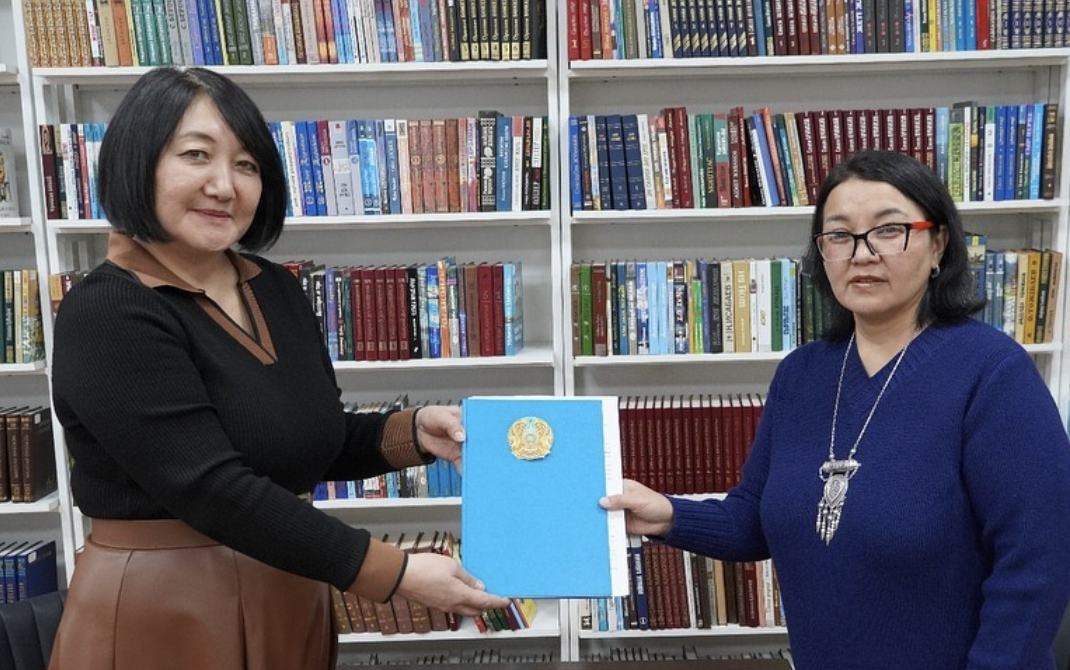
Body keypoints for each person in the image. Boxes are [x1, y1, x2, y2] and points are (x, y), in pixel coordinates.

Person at [48, 67, 509, 670]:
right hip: (168, 610)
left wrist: (415, 432)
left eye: (246, 165)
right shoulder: (109, 310)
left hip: (287, 585)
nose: (224, 185)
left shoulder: (274, 288)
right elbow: (210, 486)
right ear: (138, 163)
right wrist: (394, 572)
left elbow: (302, 439)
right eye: (196, 155)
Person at [601, 149, 1070, 670]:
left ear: (938, 244)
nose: (862, 254)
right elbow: (756, 518)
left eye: (888, 231)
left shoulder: (993, 374)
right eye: (840, 235)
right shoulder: (801, 374)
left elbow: (1038, 563)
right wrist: (667, 515)